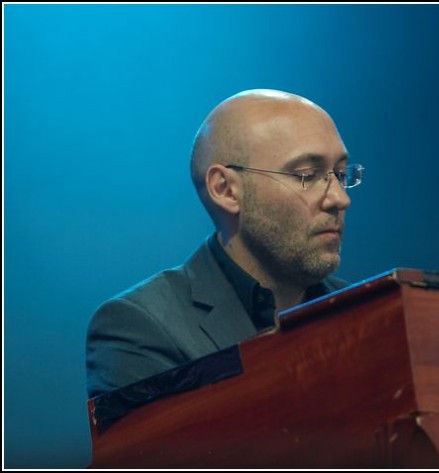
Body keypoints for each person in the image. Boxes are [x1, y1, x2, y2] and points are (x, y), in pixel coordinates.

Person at [86, 89, 363, 399]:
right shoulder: (141, 328)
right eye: (307, 175)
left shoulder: (368, 311)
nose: (341, 198)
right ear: (226, 190)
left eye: (340, 174)